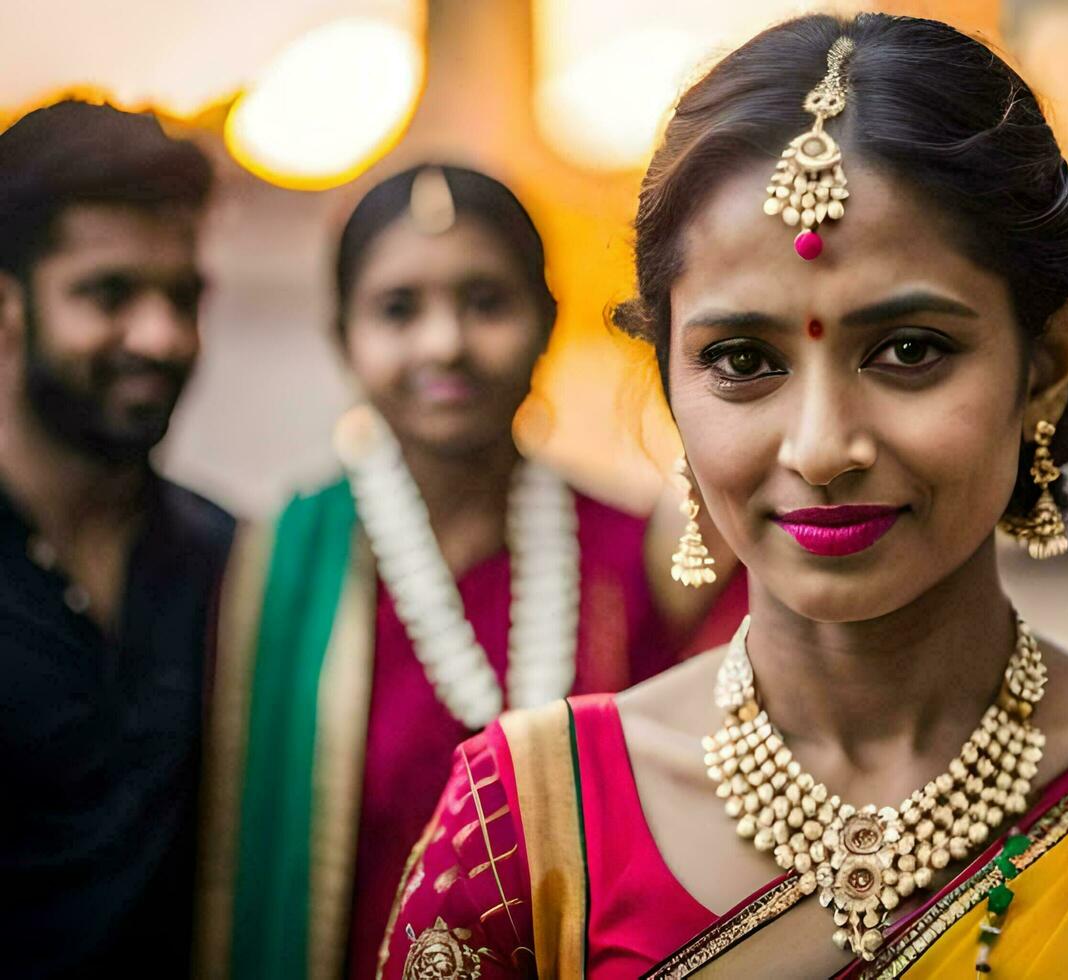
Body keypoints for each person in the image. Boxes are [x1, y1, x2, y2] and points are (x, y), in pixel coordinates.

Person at [379, 17, 1068, 978]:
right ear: (667, 373)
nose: (822, 445)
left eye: (908, 348)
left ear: (1045, 363)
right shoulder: (529, 825)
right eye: (744, 360)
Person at [194, 164, 740, 979]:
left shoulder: (638, 558)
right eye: (398, 309)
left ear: (547, 321)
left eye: (485, 302)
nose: (444, 341)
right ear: (343, 334)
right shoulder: (274, 565)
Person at [0, 101, 234, 975]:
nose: (161, 337)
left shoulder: (229, 566)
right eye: (109, 294)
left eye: (182, 297)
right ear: (8, 300)